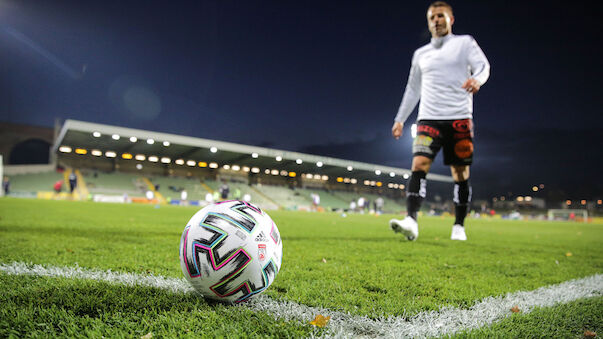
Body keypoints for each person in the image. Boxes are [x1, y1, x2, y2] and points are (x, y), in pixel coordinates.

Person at [389, 1, 490, 241]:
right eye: (432, 17)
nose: (436, 20)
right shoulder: (421, 54)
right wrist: (400, 119)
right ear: (428, 22)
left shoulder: (465, 43)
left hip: (459, 118)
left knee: (460, 173)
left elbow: (483, 66)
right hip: (428, 119)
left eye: (441, 16)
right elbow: (412, 89)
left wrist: (477, 79)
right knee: (419, 165)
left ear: (451, 19)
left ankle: (459, 226)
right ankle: (411, 221)